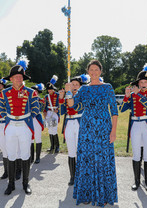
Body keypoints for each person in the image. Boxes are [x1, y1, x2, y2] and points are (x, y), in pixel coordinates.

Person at [65, 60, 118, 207]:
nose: (93, 72)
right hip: (86, 129)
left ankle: (105, 195)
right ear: (88, 72)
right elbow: (72, 105)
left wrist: (113, 131)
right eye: (91, 70)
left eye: (96, 69)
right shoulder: (83, 89)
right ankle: (86, 194)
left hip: (104, 128)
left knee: (104, 160)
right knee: (87, 160)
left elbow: (114, 111)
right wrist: (69, 91)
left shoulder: (108, 88)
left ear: (100, 71)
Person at [0, 60, 40, 195]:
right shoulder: (4, 93)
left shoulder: (30, 92)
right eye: (16, 77)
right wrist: (7, 117)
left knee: (25, 154)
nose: (19, 79)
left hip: (25, 126)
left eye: (21, 77)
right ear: (11, 79)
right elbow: (1, 107)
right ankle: (10, 184)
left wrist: (28, 116)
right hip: (10, 125)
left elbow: (36, 108)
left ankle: (25, 183)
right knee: (11, 154)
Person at [120, 63, 147, 191]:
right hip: (135, 125)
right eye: (141, 82)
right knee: (136, 153)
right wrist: (126, 97)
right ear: (138, 83)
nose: (143, 84)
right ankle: (136, 181)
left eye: (145, 82)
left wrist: (137, 94)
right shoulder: (132, 95)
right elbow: (121, 109)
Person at [59, 74, 89, 186]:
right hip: (69, 123)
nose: (74, 86)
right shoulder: (68, 95)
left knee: (81, 151)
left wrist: (69, 94)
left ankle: (82, 175)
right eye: (72, 84)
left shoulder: (84, 95)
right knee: (71, 151)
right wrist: (62, 98)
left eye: (76, 84)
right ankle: (72, 176)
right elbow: (62, 112)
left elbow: (75, 107)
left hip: (80, 122)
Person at [44, 75, 61, 153]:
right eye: (48, 89)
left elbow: (61, 104)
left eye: (50, 89)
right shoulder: (46, 96)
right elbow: (45, 105)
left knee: (54, 129)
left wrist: (58, 110)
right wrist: (44, 112)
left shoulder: (57, 95)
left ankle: (57, 146)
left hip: (54, 113)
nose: (49, 91)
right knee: (50, 130)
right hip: (49, 113)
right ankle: (52, 146)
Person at [31, 83, 45, 164]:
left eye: (35, 91)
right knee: (31, 139)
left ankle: (38, 157)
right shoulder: (27, 100)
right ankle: (31, 157)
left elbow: (39, 108)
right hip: (30, 120)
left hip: (37, 120)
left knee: (38, 138)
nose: (34, 92)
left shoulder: (40, 100)